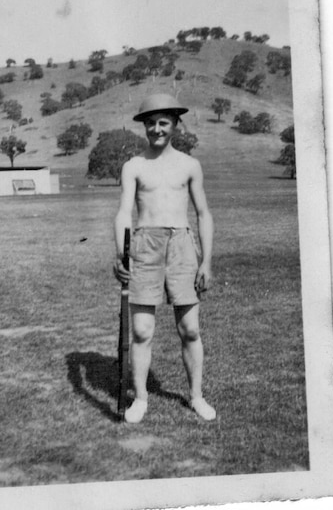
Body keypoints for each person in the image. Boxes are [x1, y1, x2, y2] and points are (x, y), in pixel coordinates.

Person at [113, 93, 216, 423]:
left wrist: (206, 261)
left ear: (175, 124)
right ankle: (140, 398)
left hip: (182, 247)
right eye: (150, 123)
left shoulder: (189, 165)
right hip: (144, 247)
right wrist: (122, 256)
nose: (156, 129)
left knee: (189, 329)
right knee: (142, 331)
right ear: (144, 126)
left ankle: (196, 396)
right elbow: (123, 214)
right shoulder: (134, 166)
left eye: (163, 122)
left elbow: (203, 213)